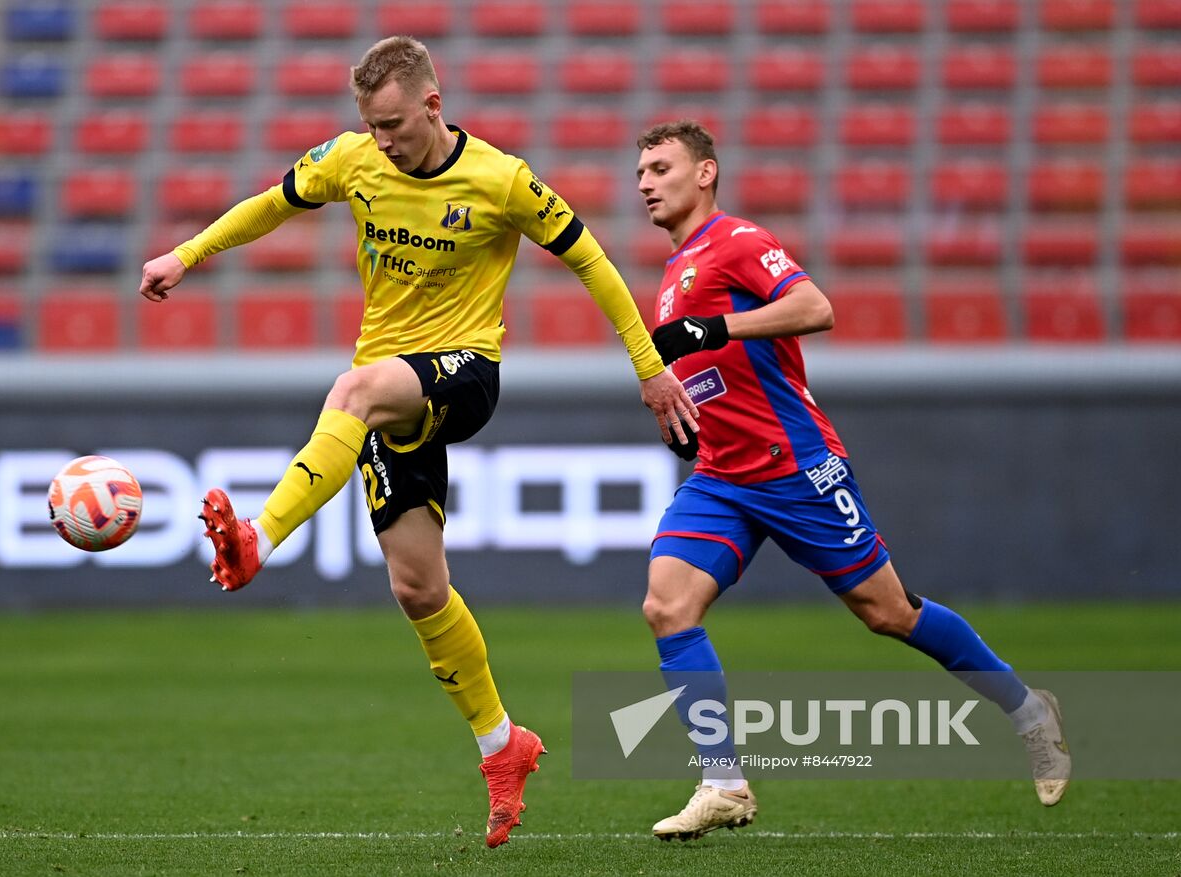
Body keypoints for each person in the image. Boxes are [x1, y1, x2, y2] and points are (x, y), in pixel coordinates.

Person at [138, 38, 698, 848]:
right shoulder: (353, 160)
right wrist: (186, 255)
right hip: (393, 395)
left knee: (353, 390)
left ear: (433, 106)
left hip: (465, 373)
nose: (385, 141)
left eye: (396, 124)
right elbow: (271, 202)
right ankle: (503, 744)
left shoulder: (502, 180)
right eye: (372, 126)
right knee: (418, 588)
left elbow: (594, 263)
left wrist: (649, 368)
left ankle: (258, 538)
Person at [633, 120, 1070, 841]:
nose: (645, 182)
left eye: (660, 166)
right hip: (721, 476)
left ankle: (1028, 709)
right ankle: (724, 781)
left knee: (889, 612)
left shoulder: (738, 241)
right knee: (666, 605)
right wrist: (682, 406)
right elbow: (708, 367)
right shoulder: (675, 271)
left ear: (705, 172)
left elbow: (815, 308)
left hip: (796, 466)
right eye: (640, 171)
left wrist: (718, 329)